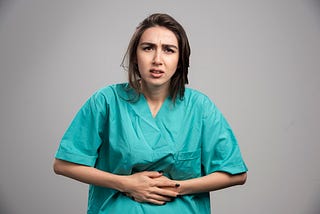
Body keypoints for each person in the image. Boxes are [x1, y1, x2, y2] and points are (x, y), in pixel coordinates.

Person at [53, 13, 248, 214]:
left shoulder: (199, 107)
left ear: (180, 60)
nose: (157, 59)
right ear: (135, 57)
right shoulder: (106, 101)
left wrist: (175, 188)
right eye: (148, 48)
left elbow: (236, 174)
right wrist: (125, 184)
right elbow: (63, 164)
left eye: (169, 50)